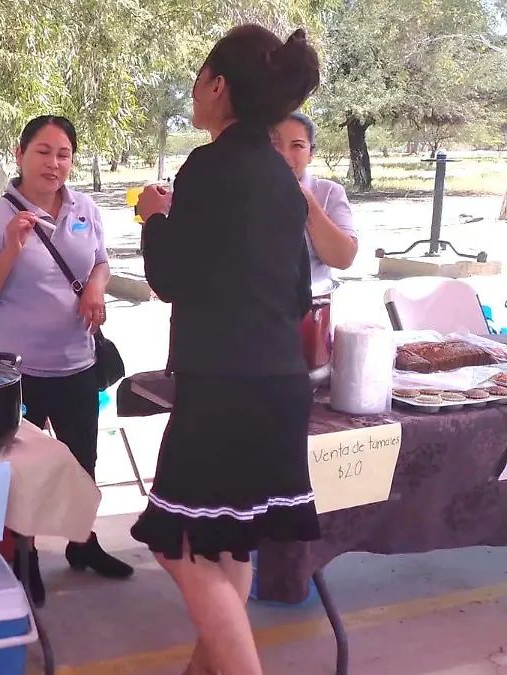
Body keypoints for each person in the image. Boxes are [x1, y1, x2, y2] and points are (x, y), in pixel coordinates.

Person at [132, 26, 321, 675]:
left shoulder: (206, 167)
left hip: (223, 389)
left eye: (199, 77)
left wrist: (154, 218)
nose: (193, 90)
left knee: (177, 544)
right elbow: (298, 295)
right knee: (229, 543)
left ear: (217, 85)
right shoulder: (282, 178)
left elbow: (170, 278)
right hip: (282, 385)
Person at [0, 115, 134, 607]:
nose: (53, 163)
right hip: (15, 371)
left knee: (82, 463)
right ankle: (26, 554)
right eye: (42, 151)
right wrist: (12, 249)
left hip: (77, 363)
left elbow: (100, 261)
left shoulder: (84, 208)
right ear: (20, 155)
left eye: (63, 154)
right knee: (22, 470)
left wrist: (95, 288)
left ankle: (83, 541)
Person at [271, 112, 358, 289]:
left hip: (314, 299)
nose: (284, 155)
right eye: (274, 144)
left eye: (297, 146)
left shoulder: (329, 193)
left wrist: (306, 201)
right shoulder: (244, 192)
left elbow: (343, 259)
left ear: (310, 153)